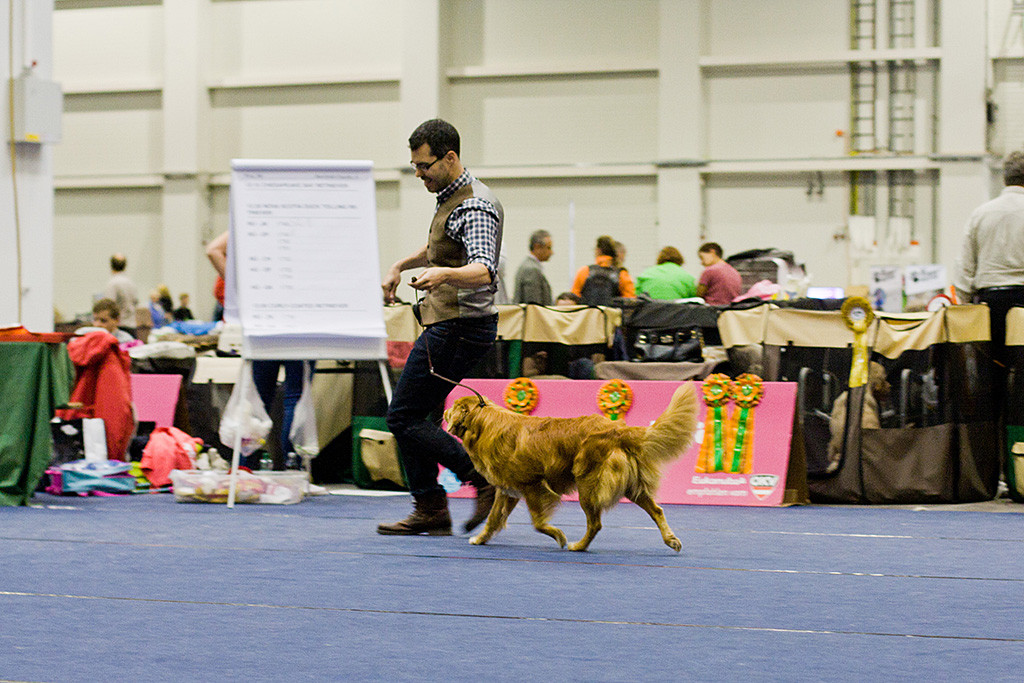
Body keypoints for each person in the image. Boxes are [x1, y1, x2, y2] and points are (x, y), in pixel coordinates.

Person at [378, 118, 501, 537]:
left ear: (450, 158)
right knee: (418, 417)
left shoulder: (475, 204)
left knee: (403, 416)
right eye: (415, 165)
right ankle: (430, 509)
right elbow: (441, 248)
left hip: (461, 326)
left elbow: (484, 268)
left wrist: (442, 276)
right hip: (451, 323)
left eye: (424, 165)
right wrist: (402, 265)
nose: (418, 174)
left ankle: (482, 479)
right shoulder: (450, 196)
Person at [205, 230, 310, 467]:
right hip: (300, 315)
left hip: (264, 316)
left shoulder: (253, 218)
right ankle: (292, 467)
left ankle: (245, 465)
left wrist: (240, 291)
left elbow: (213, 249)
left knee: (257, 395)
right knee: (296, 395)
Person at [954, 149, 1024, 409]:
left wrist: (967, 304)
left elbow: (963, 269)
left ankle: (991, 438)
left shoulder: (981, 213)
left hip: (990, 303)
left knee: (992, 376)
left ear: (1004, 178)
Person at [570, 235, 635, 305]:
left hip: (587, 314)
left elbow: (574, 298)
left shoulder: (584, 271)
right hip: (611, 315)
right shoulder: (622, 274)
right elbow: (630, 300)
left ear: (598, 250)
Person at [513, 229, 553, 305]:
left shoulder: (528, 266)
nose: (551, 252)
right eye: (548, 248)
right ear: (537, 247)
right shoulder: (531, 269)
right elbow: (534, 305)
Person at [104, 253, 138, 330]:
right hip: (132, 325)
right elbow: (135, 302)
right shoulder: (131, 283)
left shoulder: (112, 283)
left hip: (120, 326)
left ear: (111, 266)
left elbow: (109, 305)